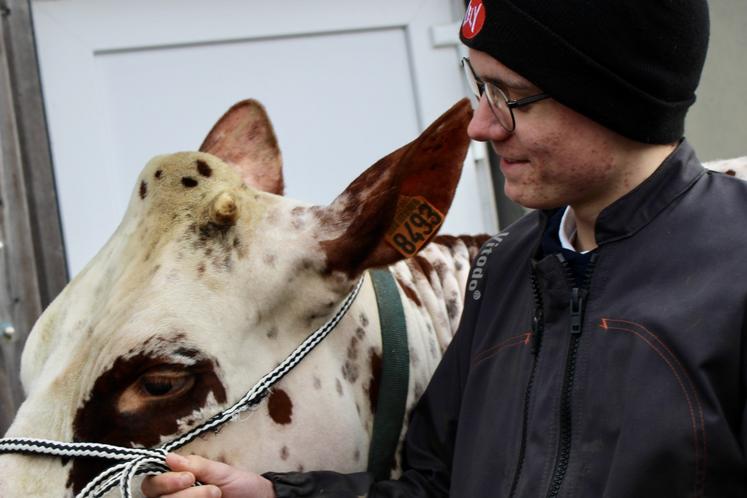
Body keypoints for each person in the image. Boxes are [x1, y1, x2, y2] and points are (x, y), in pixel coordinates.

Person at [143, 0, 747, 496]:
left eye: (510, 95)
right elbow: (436, 487)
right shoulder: (509, 268)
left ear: (613, 95)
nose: (480, 125)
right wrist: (276, 496)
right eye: (477, 84)